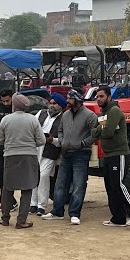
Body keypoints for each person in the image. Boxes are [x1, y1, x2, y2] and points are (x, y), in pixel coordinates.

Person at [41, 90, 99, 225]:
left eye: (70, 98)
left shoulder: (89, 115)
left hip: (81, 154)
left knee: (79, 184)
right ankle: (57, 211)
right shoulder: (65, 115)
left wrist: (83, 143)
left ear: (77, 100)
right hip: (66, 153)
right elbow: (60, 130)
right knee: (60, 184)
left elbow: (95, 133)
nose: (67, 101)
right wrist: (61, 140)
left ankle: (74, 213)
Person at [93, 85, 130, 227]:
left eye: (101, 96)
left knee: (118, 185)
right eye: (97, 97)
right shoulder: (104, 113)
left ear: (109, 97)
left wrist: (100, 129)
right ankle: (118, 218)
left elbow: (107, 132)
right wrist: (101, 129)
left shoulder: (114, 111)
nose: (98, 99)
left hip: (119, 153)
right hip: (109, 154)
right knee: (110, 186)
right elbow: (96, 131)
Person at [0, 93, 46, 228]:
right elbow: (42, 140)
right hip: (28, 156)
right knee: (27, 188)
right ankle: (21, 220)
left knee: (8, 187)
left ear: (14, 105)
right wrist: (29, 144)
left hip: (10, 156)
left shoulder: (6, 120)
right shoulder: (32, 120)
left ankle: (5, 218)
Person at [31, 92, 66, 214]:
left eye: (54, 104)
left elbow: (63, 139)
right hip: (36, 149)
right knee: (33, 175)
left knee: (44, 176)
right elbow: (32, 126)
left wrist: (52, 140)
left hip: (50, 150)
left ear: (60, 106)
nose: (51, 106)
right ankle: (33, 203)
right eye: (50, 103)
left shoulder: (64, 118)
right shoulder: (41, 113)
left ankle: (42, 205)